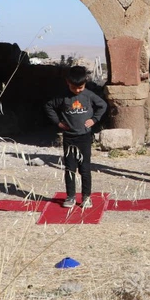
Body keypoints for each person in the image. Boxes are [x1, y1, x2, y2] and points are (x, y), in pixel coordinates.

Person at [45, 65, 108, 208]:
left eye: (81, 87)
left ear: (85, 82)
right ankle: (70, 197)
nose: (78, 90)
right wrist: (59, 123)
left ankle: (86, 197)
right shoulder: (62, 97)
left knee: (85, 169)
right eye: (74, 88)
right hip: (69, 138)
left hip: (84, 137)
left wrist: (94, 120)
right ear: (68, 82)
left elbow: (102, 105)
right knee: (70, 168)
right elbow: (49, 106)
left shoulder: (89, 95)